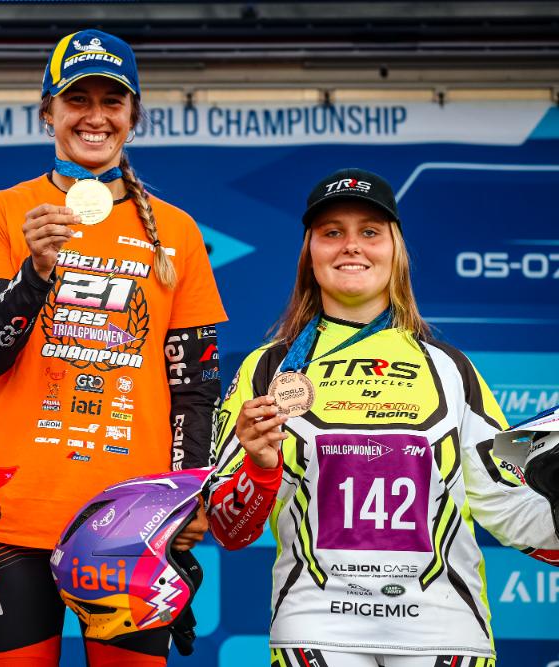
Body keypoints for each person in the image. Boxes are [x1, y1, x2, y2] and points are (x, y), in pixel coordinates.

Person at [206, 167, 559, 667]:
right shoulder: (268, 369)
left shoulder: (451, 368)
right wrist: (260, 469)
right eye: (332, 232)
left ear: (396, 250)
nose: (351, 246)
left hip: (443, 630)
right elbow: (230, 529)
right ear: (310, 252)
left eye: (370, 231)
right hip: (318, 627)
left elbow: (507, 505)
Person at [0, 29, 227, 667]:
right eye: (77, 99)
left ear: (134, 114)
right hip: (14, 514)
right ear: (47, 111)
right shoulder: (4, 213)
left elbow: (194, 388)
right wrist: (35, 274)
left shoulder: (177, 231)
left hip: (134, 519)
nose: (95, 116)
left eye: (112, 101)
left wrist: (187, 501)